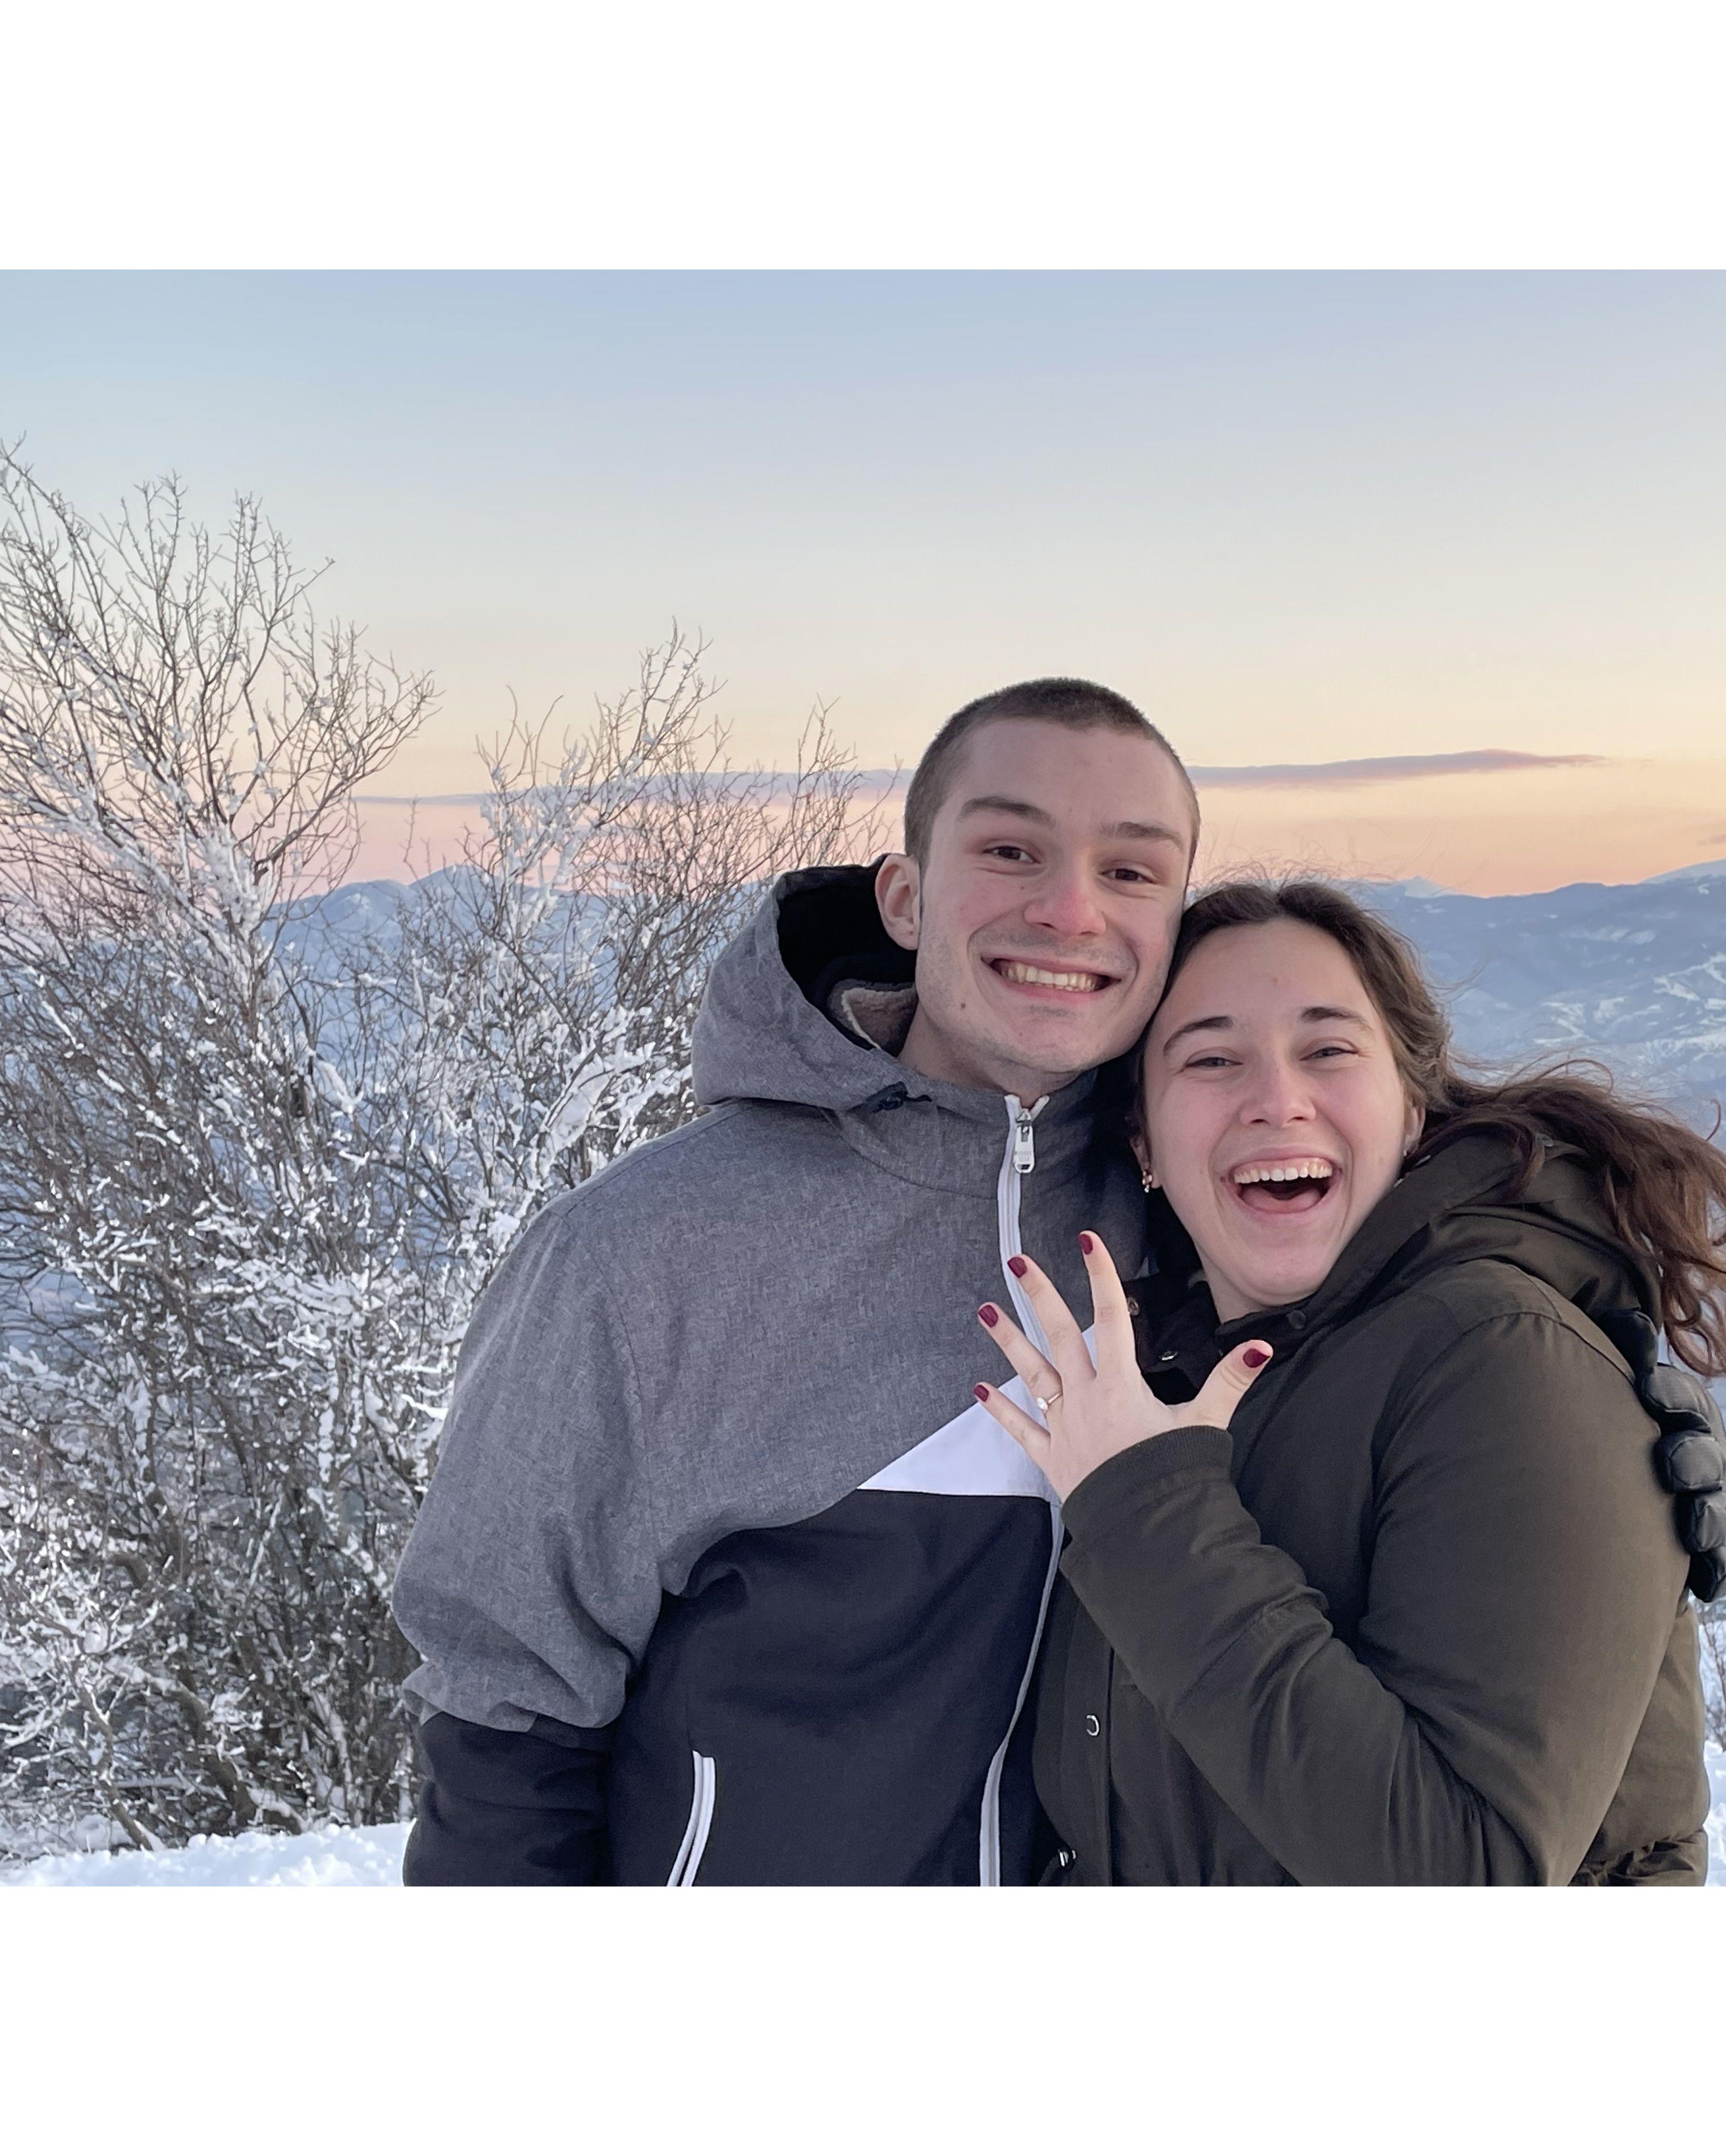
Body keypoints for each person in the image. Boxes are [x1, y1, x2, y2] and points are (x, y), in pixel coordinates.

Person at [390, 678, 1200, 1884]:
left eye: (1130, 871)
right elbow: (506, 1723)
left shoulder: (1207, 1226)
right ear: (905, 898)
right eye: (1010, 850)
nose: (1071, 908)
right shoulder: (647, 1249)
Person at [974, 879, 1726, 1885]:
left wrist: (1147, 1515)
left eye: (1327, 1050)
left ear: (1412, 1108)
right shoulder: (1158, 1386)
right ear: (1143, 1139)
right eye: (1212, 1059)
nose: (1277, 1099)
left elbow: (1465, 1877)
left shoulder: (1497, 1358)